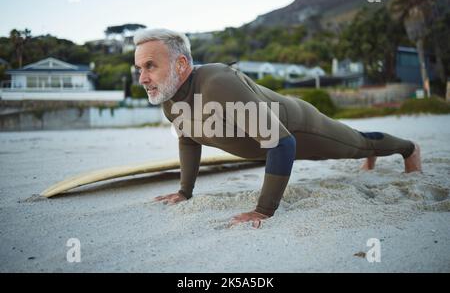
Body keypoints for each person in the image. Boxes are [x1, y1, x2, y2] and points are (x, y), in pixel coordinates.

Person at [133, 28, 422, 228]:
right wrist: (185, 191)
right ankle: (367, 156)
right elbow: (189, 141)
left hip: (300, 126)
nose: (143, 78)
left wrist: (263, 211)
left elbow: (283, 143)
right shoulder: (170, 102)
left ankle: (408, 149)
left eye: (150, 66)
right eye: (139, 69)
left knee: (359, 144)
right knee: (355, 148)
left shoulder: (218, 83)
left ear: (181, 64)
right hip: (279, 138)